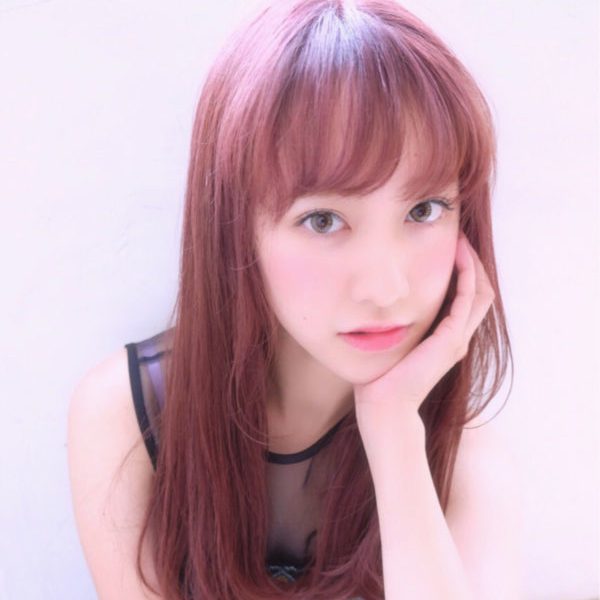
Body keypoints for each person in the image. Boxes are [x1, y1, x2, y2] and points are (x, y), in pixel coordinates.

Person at [67, 0, 521, 598]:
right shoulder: (131, 414)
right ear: (235, 229)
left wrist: (393, 429)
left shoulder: (461, 449)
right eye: (323, 220)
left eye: (423, 210)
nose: (386, 289)